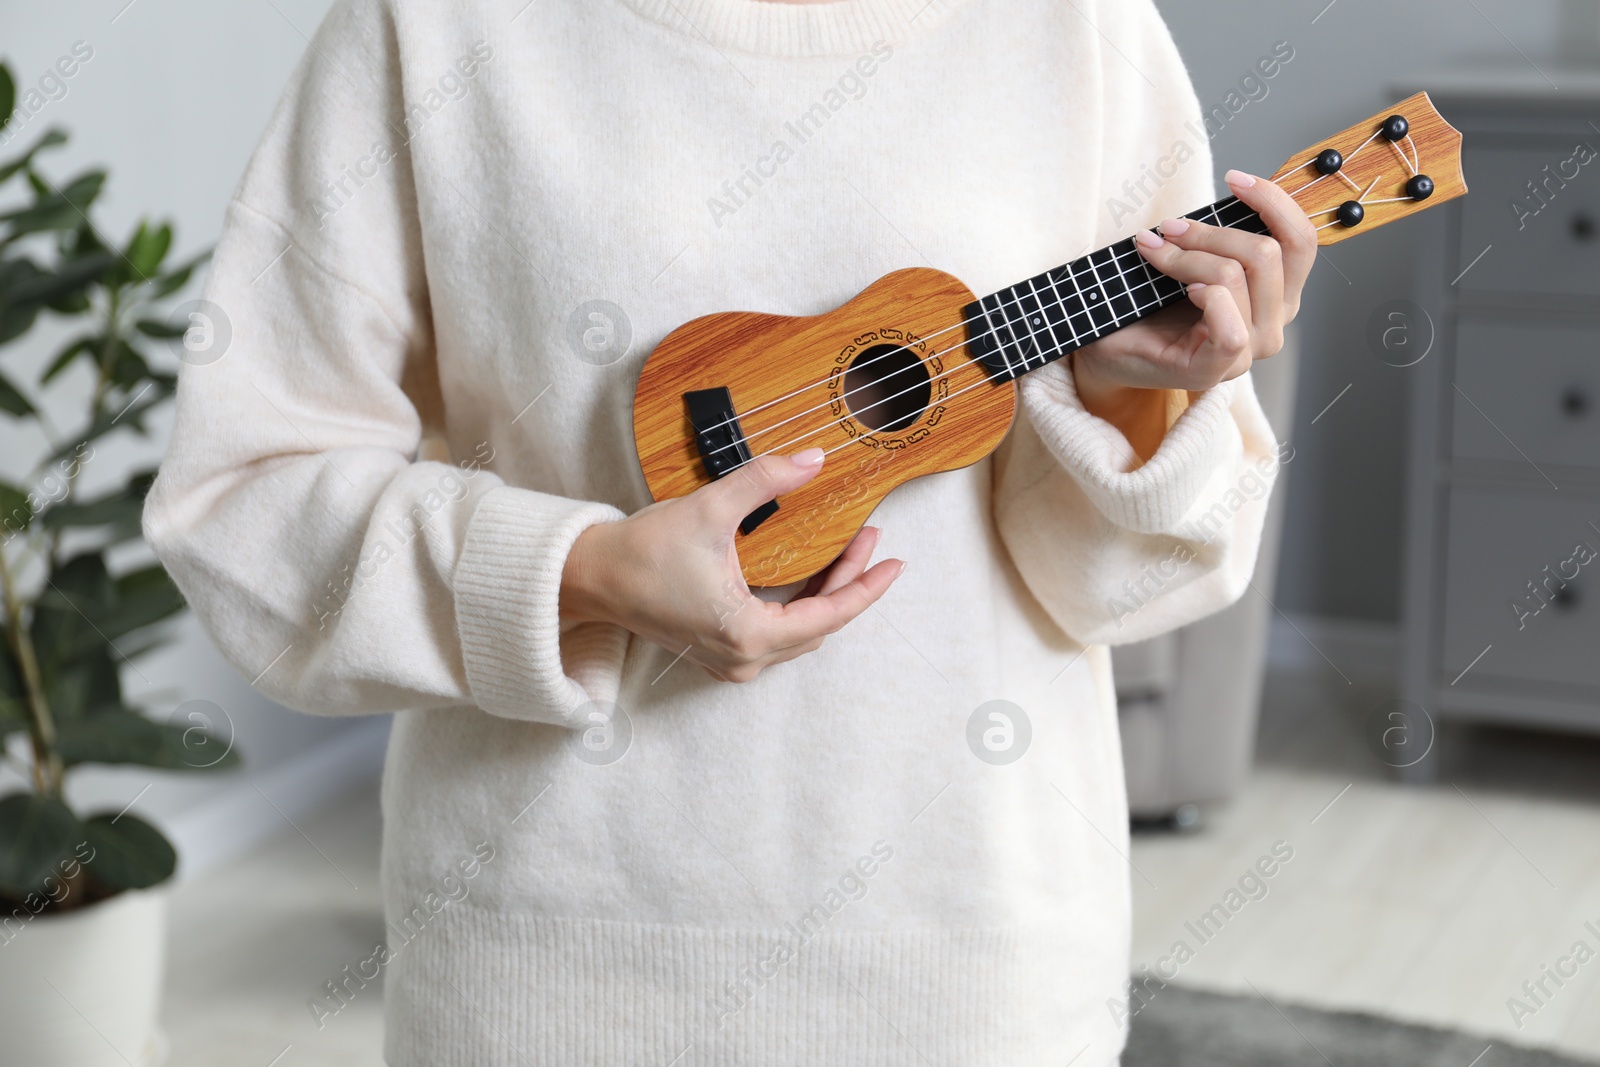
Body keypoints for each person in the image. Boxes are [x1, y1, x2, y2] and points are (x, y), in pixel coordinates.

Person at [144, 0, 1315, 1063]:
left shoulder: (1077, 30)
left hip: (973, 964)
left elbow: (1136, 586)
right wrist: (581, 574)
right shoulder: (431, 27)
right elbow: (242, 501)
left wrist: (1134, 401)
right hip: (550, 973)